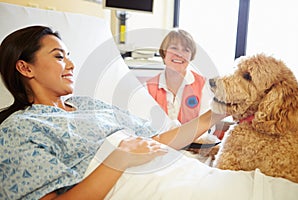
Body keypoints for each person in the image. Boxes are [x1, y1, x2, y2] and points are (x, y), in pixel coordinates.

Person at [0, 26, 224, 200]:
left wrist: (215, 113)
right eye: (59, 57)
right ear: (25, 68)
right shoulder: (18, 129)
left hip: (186, 175)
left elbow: (156, 141)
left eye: (68, 56)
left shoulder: (87, 105)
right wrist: (119, 157)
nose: (71, 64)